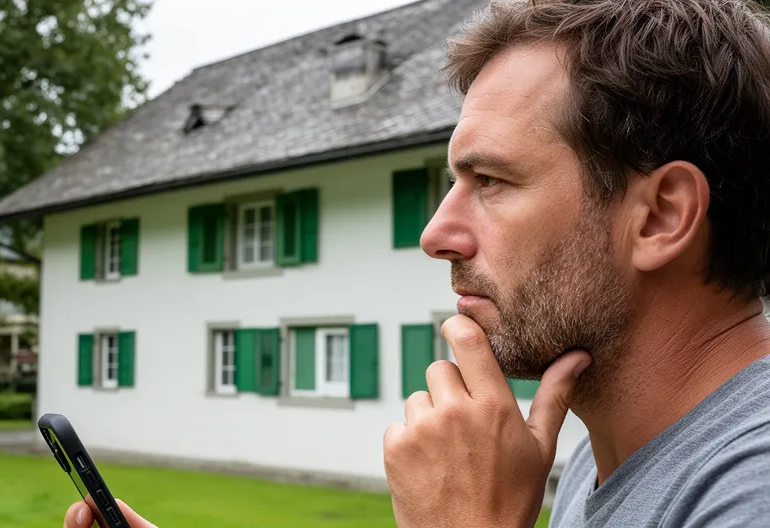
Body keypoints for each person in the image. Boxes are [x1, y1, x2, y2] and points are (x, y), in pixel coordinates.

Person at [63, 0, 770, 526]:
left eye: (490, 181)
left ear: (661, 216)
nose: (436, 233)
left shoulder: (748, 491)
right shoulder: (599, 453)